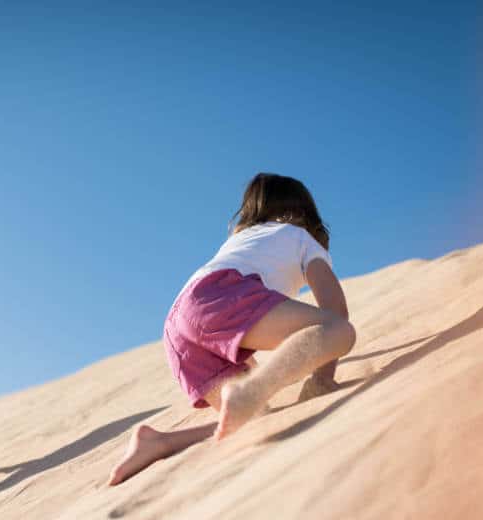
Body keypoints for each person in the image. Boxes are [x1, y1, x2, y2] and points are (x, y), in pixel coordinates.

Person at [108, 173, 355, 486]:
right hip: (222, 296)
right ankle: (254, 390)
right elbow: (335, 311)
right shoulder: (301, 238)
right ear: (305, 214)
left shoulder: (241, 240)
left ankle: (159, 442)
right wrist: (321, 379)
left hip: (179, 325)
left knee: (255, 419)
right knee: (341, 331)